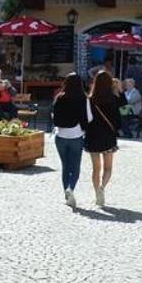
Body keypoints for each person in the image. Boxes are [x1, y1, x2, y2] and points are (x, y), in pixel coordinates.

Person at [51, 73, 87, 208]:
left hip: (60, 135)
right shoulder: (83, 98)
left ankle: (67, 194)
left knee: (65, 166)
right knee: (75, 168)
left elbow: (54, 116)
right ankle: (70, 188)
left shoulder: (59, 97)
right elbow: (87, 118)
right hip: (76, 135)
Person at [85, 69, 120, 208]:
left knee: (96, 169)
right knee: (108, 168)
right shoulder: (113, 99)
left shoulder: (90, 100)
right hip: (108, 136)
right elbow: (118, 120)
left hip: (93, 136)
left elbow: (86, 119)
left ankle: (96, 194)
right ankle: (102, 187)